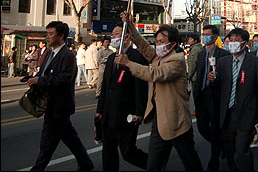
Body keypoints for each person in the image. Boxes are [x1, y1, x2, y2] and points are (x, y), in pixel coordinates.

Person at [115, 11, 202, 171]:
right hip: (159, 120)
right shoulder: (158, 57)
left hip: (177, 122)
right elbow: (143, 46)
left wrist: (129, 64)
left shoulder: (177, 60)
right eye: (157, 41)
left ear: (173, 44)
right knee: (154, 165)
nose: (159, 45)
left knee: (190, 162)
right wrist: (131, 25)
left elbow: (155, 74)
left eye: (162, 42)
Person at [27, 21, 94, 171]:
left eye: (51, 34)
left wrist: (40, 80)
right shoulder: (50, 53)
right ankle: (85, 163)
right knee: (70, 138)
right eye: (47, 33)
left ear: (61, 36)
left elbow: (65, 78)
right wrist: (34, 78)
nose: (48, 37)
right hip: (49, 103)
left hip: (60, 105)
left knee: (47, 144)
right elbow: (43, 72)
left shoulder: (68, 55)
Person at [212, 27, 258, 171]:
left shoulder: (255, 62)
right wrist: (212, 80)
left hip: (246, 113)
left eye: (236, 40)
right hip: (227, 113)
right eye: (230, 40)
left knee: (242, 151)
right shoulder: (223, 62)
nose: (232, 43)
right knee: (230, 150)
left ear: (245, 43)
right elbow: (218, 86)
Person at [96, 24, 149, 171]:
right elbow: (105, 87)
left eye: (116, 34)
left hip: (127, 112)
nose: (112, 37)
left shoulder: (136, 56)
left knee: (128, 152)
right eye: (112, 35)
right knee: (108, 151)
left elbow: (140, 86)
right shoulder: (112, 57)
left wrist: (139, 111)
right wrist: (100, 110)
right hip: (108, 113)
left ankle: (154, 165)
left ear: (126, 37)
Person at [192, 25, 230, 171]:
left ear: (215, 37)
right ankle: (222, 145)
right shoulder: (202, 54)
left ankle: (214, 161)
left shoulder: (223, 54)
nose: (205, 36)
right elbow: (199, 74)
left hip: (215, 96)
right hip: (201, 95)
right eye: (203, 34)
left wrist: (215, 78)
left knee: (215, 129)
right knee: (202, 127)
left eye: (208, 34)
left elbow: (226, 77)